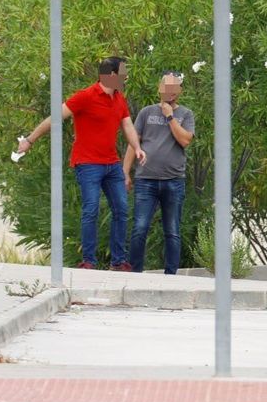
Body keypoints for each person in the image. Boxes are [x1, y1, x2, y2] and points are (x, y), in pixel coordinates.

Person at [18, 55, 145, 270]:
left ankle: (118, 261)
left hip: (112, 164)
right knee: (91, 209)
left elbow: (128, 126)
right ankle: (88, 261)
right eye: (123, 72)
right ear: (111, 75)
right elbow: (55, 117)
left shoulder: (119, 99)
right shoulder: (85, 96)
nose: (126, 77)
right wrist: (30, 140)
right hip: (88, 164)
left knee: (122, 209)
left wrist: (138, 147)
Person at [123, 70, 194, 275]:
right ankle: (135, 272)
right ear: (159, 88)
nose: (169, 91)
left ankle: (171, 275)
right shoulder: (146, 113)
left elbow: (185, 140)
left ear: (179, 91)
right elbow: (132, 143)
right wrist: (125, 172)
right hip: (146, 180)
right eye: (166, 86)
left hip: (174, 181)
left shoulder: (185, 114)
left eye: (174, 87)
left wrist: (170, 117)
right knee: (139, 228)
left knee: (172, 231)